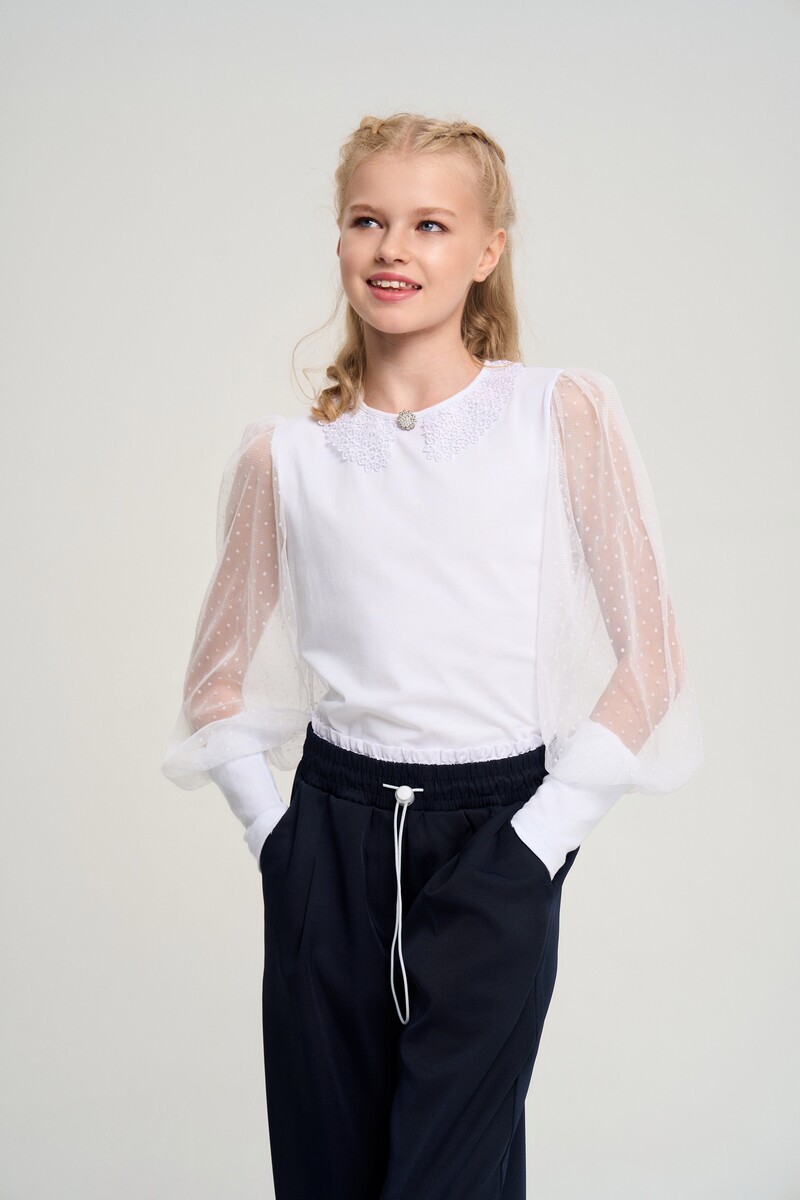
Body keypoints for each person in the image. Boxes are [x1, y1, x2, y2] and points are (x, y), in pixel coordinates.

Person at [160, 112, 704, 1200]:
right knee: (327, 1172)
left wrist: (536, 844)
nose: (392, 248)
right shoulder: (286, 458)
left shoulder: (556, 413)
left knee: (447, 1179)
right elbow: (214, 678)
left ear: (487, 249)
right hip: (329, 838)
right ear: (338, 239)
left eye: (429, 225)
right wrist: (278, 842)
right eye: (368, 220)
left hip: (493, 832)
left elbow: (650, 660)